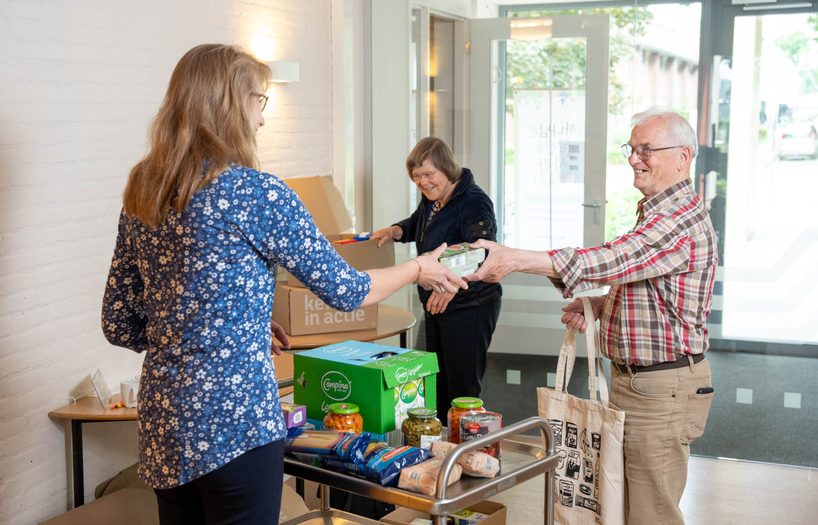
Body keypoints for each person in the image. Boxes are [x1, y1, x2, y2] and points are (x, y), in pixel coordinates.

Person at [100, 44, 466, 525]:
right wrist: (417, 268)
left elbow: (118, 324)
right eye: (260, 101)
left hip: (165, 423)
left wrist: (228, 324)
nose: (263, 119)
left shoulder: (143, 189)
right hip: (237, 426)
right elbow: (348, 290)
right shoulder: (257, 193)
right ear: (232, 105)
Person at [465, 107, 717, 525]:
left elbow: (613, 259)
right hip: (638, 383)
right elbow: (647, 280)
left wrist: (512, 260)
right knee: (622, 503)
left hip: (661, 389)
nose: (635, 158)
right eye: (632, 148)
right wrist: (601, 305)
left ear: (683, 156)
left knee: (649, 514)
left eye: (647, 149)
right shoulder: (656, 211)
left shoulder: (678, 220)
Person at [372, 137, 502, 412]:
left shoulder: (473, 202)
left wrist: (448, 288)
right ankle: (443, 443)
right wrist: (395, 231)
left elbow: (482, 253)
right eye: (416, 176)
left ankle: (467, 448)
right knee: (438, 382)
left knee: (462, 388)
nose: (423, 182)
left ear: (447, 168)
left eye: (429, 174)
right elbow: (419, 222)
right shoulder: (434, 199)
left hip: (470, 304)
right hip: (438, 303)